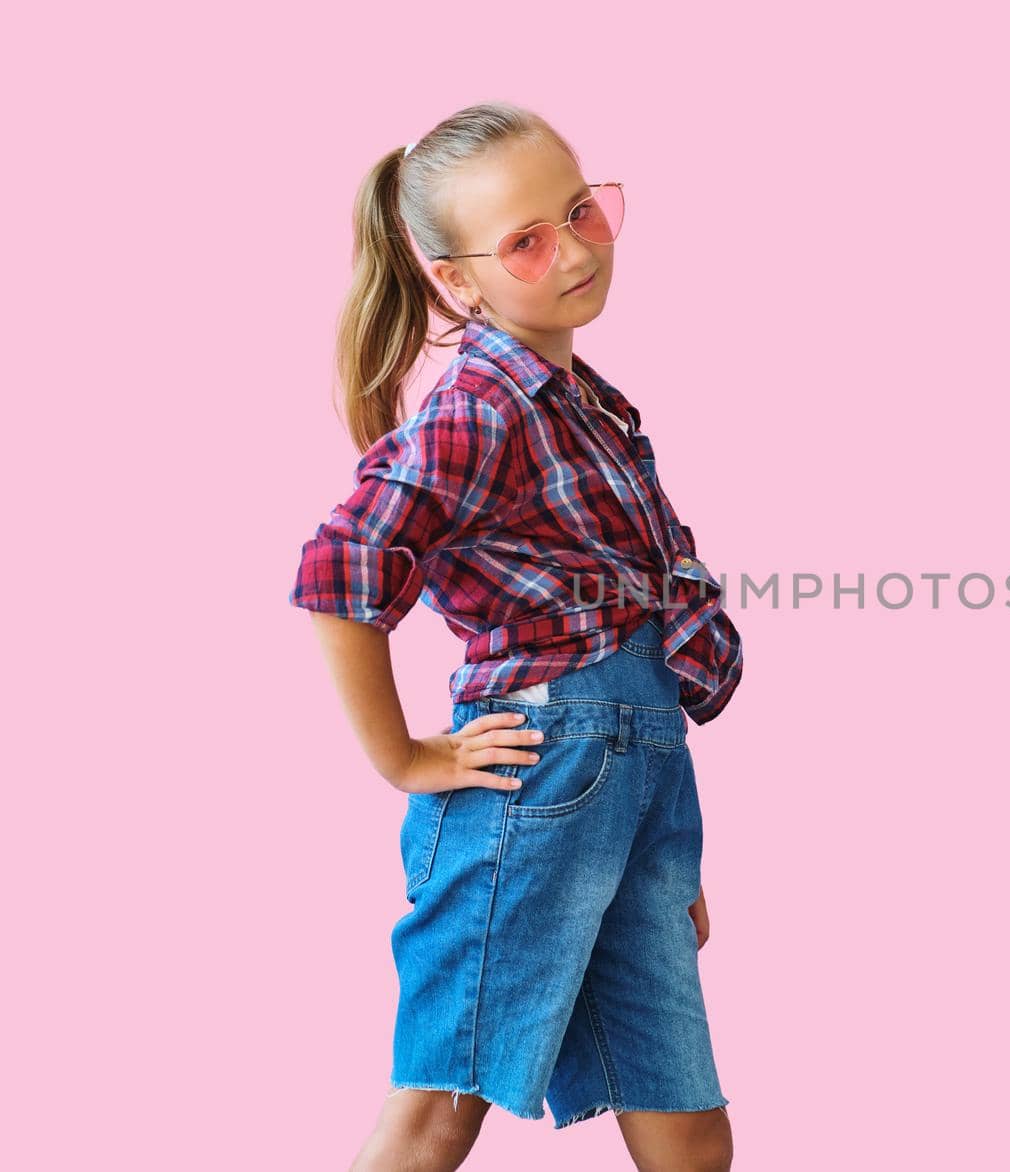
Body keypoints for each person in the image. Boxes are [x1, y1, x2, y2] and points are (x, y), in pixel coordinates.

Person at [288, 101, 741, 1172]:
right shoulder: (480, 405)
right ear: (456, 279)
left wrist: (654, 837)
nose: (576, 249)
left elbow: (637, 608)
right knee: (441, 1105)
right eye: (528, 240)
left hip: (632, 780)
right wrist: (404, 755)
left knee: (685, 1119)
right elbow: (342, 568)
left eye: (582, 210)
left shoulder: (584, 399)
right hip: (541, 775)